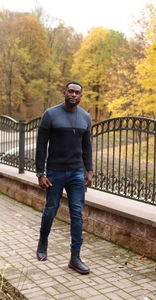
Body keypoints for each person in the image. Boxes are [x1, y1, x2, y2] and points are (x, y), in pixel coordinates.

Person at [35, 81, 93, 275]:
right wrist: (40, 173)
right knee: (51, 209)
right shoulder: (50, 114)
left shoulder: (85, 116)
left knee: (77, 213)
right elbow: (41, 146)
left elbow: (87, 147)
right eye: (71, 91)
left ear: (80, 96)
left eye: (77, 92)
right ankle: (43, 243)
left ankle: (75, 258)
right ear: (64, 92)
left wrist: (89, 170)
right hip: (55, 172)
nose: (74, 95)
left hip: (77, 173)